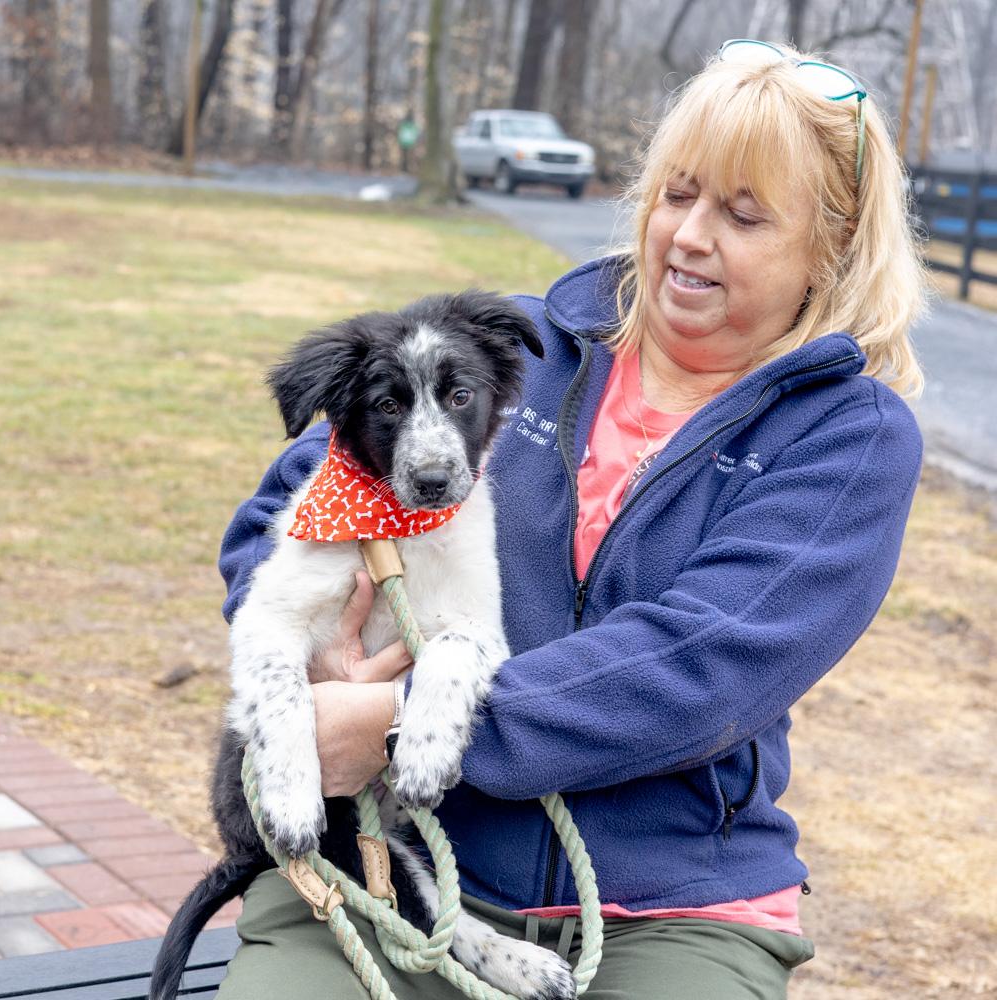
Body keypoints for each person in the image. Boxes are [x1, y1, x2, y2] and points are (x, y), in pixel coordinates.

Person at [214, 40, 925, 1000]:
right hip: (403, 861)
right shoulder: (509, 348)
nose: (689, 236)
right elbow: (283, 509)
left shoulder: (848, 438)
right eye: (678, 195)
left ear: (833, 246)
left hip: (671, 908)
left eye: (743, 214)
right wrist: (311, 663)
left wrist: (396, 719)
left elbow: (697, 670)